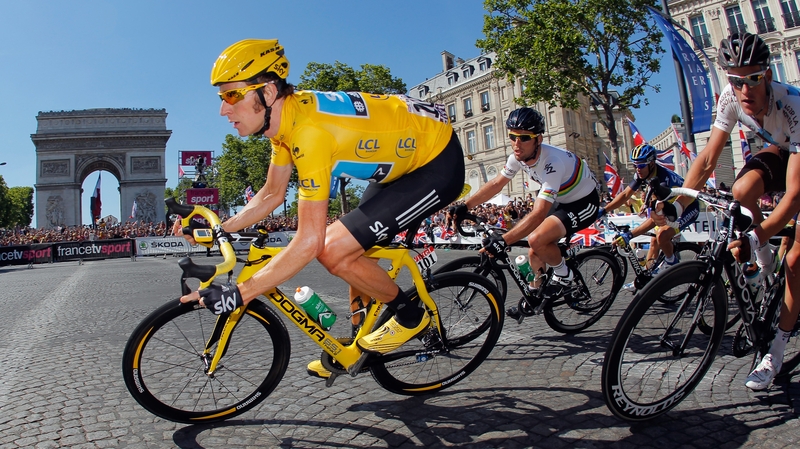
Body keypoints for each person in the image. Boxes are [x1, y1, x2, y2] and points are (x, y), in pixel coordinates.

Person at [175, 39, 465, 379]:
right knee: (353, 249)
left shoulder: (309, 134)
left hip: (435, 162)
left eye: (232, 96)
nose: (223, 110)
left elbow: (309, 242)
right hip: (398, 163)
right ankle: (356, 346)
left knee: (333, 250)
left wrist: (241, 292)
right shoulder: (283, 122)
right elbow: (271, 194)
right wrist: (222, 229)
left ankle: (410, 315)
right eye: (221, 97)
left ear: (267, 93)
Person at [672, 32, 800, 390]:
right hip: (779, 148)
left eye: (753, 79)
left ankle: (775, 351)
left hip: (799, 157)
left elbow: (793, 197)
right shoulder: (730, 98)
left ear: (768, 76)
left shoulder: (792, 106)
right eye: (736, 80)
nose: (745, 91)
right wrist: (676, 204)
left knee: (795, 262)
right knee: (741, 190)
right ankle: (764, 264)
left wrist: (757, 232)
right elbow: (709, 159)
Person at [450, 108, 600, 318]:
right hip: (562, 199)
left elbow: (538, 214)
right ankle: (534, 295)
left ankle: (564, 274)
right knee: (534, 251)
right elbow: (496, 184)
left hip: (584, 202)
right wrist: (465, 206)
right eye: (512, 136)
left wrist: (504, 240)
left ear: (538, 139)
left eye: (524, 138)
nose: (516, 144)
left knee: (537, 239)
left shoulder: (551, 162)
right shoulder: (517, 158)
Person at [599, 144, 699, 271]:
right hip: (669, 206)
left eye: (641, 166)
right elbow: (625, 195)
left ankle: (672, 263)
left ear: (651, 164)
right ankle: (647, 276)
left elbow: (657, 218)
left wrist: (630, 235)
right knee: (654, 242)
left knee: (662, 236)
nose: (637, 169)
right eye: (635, 166)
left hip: (688, 206)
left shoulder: (662, 181)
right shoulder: (643, 174)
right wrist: (604, 209)